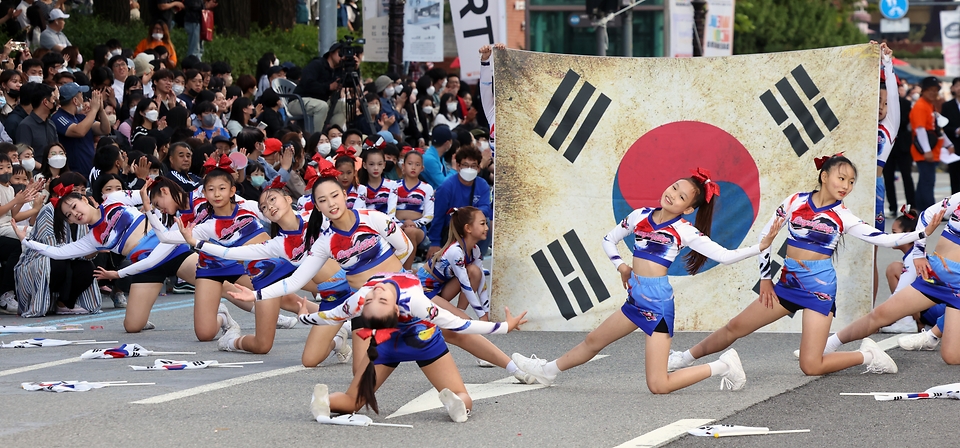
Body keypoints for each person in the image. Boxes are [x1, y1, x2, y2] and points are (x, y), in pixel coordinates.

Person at [227, 171, 535, 383]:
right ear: (316, 205)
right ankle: (356, 348)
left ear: (344, 194)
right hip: (358, 302)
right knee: (354, 373)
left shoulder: (373, 218)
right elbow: (294, 282)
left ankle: (514, 366)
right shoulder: (319, 237)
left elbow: (404, 247)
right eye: (323, 200)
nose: (331, 203)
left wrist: (395, 278)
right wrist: (253, 295)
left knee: (452, 328)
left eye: (335, 195)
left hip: (401, 291)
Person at [667, 156, 939, 378]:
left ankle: (868, 355)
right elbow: (767, 238)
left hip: (818, 290)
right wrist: (765, 278)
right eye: (841, 178)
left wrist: (921, 233)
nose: (846, 185)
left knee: (810, 366)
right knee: (735, 326)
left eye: (851, 182)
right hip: (786, 284)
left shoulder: (842, 216)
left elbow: (883, 238)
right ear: (824, 176)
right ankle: (683, 358)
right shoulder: (795, 201)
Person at [302, 272, 527, 423]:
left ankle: (326, 400)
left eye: (376, 300)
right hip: (422, 341)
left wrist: (305, 318)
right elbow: (458, 324)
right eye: (374, 301)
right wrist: (505, 326)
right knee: (461, 394)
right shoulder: (410, 300)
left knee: (353, 400)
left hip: (391, 345)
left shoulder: (367, 297)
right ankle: (457, 403)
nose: (376, 294)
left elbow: (329, 316)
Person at [176, 172, 353, 363]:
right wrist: (195, 242)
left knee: (372, 346)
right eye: (265, 207)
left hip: (353, 288)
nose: (270, 206)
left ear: (287, 199)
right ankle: (230, 342)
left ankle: (339, 322)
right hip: (328, 297)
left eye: (273, 200)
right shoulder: (276, 245)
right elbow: (229, 254)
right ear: (264, 215)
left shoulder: (315, 217)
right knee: (280, 351)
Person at [11, 173, 102, 317]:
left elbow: (86, 248)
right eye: (74, 190)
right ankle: (43, 303)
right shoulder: (49, 210)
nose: (74, 213)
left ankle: (64, 303)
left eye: (82, 190)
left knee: (87, 267)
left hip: (70, 257)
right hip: (42, 258)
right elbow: (51, 249)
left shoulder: (86, 213)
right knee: (55, 264)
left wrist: (94, 250)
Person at [427, 146, 490, 258]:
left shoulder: (482, 185)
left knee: (487, 222)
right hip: (452, 230)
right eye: (465, 165)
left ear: (479, 168)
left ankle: (478, 255)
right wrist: (435, 242)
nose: (469, 169)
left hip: (472, 226)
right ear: (458, 166)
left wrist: (468, 214)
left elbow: (486, 208)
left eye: (473, 166)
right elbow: (438, 216)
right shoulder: (446, 187)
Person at [0, 151, 42, 311]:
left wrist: (23, 200)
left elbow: (14, 215)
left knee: (36, 234)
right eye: (1, 168)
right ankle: (6, 293)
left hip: (9, 225)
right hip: (1, 229)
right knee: (28, 239)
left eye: (8, 167)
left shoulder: (9, 188)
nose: (5, 171)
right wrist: (16, 201)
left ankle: (28, 288)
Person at [53, 83, 112, 178]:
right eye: (81, 96)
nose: (83, 100)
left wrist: (100, 110)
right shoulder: (58, 117)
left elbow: (105, 129)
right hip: (73, 174)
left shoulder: (81, 117)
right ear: (75, 101)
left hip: (89, 172)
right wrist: (93, 110)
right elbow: (79, 131)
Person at [911, 76, 945, 213]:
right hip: (924, 151)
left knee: (925, 181)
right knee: (927, 182)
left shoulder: (929, 105)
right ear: (923, 91)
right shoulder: (920, 105)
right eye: (930, 90)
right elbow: (920, 130)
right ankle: (930, 211)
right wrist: (926, 150)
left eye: (936, 90)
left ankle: (921, 209)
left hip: (931, 150)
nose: (933, 93)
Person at [395, 148, 433, 271]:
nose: (413, 167)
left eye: (417, 165)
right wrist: (401, 224)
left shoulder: (427, 188)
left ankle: (407, 270)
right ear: (403, 166)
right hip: (396, 225)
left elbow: (429, 215)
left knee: (410, 232)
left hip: (418, 228)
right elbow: (389, 212)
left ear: (422, 168)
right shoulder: (394, 186)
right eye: (410, 164)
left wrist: (413, 224)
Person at [292, 43, 343, 129]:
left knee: (343, 106)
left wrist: (355, 68)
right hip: (299, 100)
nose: (342, 57)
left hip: (321, 102)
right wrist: (328, 87)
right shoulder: (317, 64)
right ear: (331, 53)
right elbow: (307, 84)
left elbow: (352, 82)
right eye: (340, 53)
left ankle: (334, 135)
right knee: (322, 106)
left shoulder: (339, 70)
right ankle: (317, 138)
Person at [15, 82, 57, 151]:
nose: (55, 102)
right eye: (53, 99)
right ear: (45, 102)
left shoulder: (51, 124)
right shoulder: (25, 126)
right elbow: (24, 155)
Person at [356, 146, 397, 216]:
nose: (376, 168)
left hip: (387, 223)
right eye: (371, 164)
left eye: (379, 164)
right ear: (364, 165)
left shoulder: (392, 185)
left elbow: (391, 212)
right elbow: (358, 211)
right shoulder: (359, 187)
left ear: (384, 165)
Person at [941, 78, 960, 194]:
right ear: (952, 88)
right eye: (957, 85)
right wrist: (956, 131)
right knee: (955, 179)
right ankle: (956, 209)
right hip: (954, 147)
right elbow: (944, 127)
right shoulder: (947, 106)